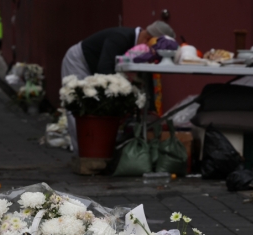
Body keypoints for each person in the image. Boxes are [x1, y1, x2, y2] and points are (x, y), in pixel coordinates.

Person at [61, 21, 175, 153]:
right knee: (79, 106)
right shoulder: (119, 38)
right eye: (156, 48)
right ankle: (83, 154)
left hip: (96, 64)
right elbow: (104, 70)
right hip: (79, 61)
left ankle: (101, 150)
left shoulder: (139, 45)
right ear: (149, 39)